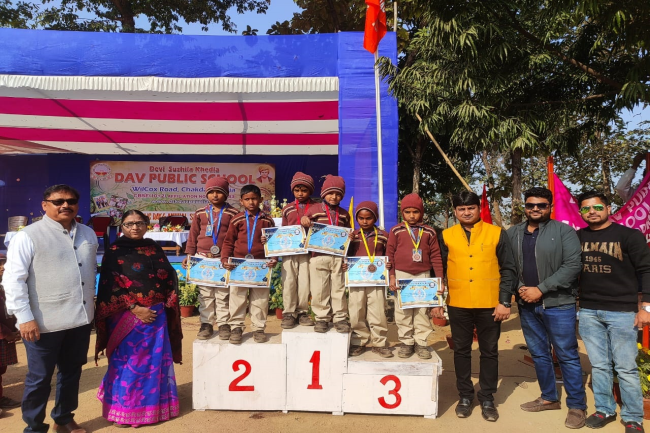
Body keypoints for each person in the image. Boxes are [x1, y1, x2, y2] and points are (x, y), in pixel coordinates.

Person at [3, 184, 98, 433]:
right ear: (45, 205)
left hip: (80, 318)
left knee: (72, 372)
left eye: (71, 201)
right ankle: (34, 427)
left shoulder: (88, 233)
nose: (65, 205)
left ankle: (64, 419)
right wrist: (24, 317)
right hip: (42, 323)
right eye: (58, 201)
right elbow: (13, 279)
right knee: (39, 378)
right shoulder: (28, 235)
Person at [506, 187, 586, 429]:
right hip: (526, 305)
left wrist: (541, 289)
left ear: (549, 206)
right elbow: (507, 266)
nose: (535, 209)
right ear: (524, 207)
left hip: (558, 304)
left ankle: (577, 406)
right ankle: (549, 398)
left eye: (541, 205)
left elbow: (573, 265)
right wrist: (520, 288)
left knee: (566, 355)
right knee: (539, 354)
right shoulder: (513, 233)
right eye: (530, 205)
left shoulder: (564, 232)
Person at [433, 191, 516, 422]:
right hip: (458, 303)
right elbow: (438, 270)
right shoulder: (446, 235)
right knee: (461, 351)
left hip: (489, 303)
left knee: (489, 351)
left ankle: (487, 397)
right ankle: (465, 396)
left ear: (478, 209)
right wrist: (435, 302)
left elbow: (508, 268)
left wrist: (504, 301)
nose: (466, 212)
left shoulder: (496, 233)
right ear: (455, 211)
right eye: (461, 209)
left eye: (471, 208)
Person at [95, 210, 182, 428]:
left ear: (146, 225)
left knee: (153, 363)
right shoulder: (114, 251)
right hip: (127, 315)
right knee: (129, 362)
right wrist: (135, 308)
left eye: (140, 223)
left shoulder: (154, 247)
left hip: (156, 315)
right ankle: (123, 410)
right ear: (121, 226)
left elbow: (168, 275)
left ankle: (152, 410)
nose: (135, 227)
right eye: (129, 224)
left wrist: (166, 300)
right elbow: (109, 284)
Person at [576, 191, 650, 433]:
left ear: (608, 209)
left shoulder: (629, 236)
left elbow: (647, 270)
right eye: (586, 208)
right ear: (581, 212)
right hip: (589, 310)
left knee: (626, 368)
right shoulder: (577, 237)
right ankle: (605, 409)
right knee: (599, 366)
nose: (592, 212)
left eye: (597, 207)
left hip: (622, 312)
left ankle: (633, 418)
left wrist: (646, 307)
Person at [387, 193, 443, 359]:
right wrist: (391, 276)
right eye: (408, 212)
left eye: (415, 212)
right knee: (403, 311)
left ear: (421, 212)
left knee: (422, 311)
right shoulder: (396, 230)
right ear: (402, 213)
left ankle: (421, 342)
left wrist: (439, 280)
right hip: (401, 274)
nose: (412, 216)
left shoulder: (429, 232)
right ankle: (406, 342)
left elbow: (436, 256)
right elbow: (389, 254)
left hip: (423, 275)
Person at [184, 176, 238, 340]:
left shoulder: (233, 213)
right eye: (211, 192)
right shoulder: (200, 213)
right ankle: (206, 324)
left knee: (223, 294)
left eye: (219, 192)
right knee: (205, 294)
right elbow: (193, 235)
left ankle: (223, 324)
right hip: (202, 259)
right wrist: (189, 254)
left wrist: (233, 257)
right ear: (206, 194)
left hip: (223, 259)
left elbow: (236, 237)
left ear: (226, 194)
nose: (215, 195)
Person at [221, 184, 277, 344]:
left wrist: (274, 258)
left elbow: (273, 242)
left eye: (254, 199)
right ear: (241, 201)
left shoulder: (267, 220)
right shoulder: (237, 219)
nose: (251, 202)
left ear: (261, 199)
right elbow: (228, 242)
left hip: (261, 265)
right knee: (237, 297)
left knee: (260, 298)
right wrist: (225, 259)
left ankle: (258, 328)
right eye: (247, 199)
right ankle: (236, 327)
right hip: (239, 265)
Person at [301, 175, 352, 333]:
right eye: (330, 193)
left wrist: (350, 236)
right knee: (319, 289)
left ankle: (340, 318)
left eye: (338, 194)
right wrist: (304, 220)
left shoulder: (344, 214)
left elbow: (348, 232)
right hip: (318, 256)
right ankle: (322, 318)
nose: (334, 197)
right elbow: (304, 224)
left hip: (337, 257)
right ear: (323, 194)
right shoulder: (314, 210)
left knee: (338, 288)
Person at [345, 201, 392, 358]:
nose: (364, 221)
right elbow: (345, 255)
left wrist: (389, 263)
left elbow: (389, 254)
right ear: (356, 218)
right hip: (356, 279)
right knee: (356, 310)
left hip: (376, 280)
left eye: (369, 218)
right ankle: (358, 341)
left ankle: (379, 343)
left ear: (375, 218)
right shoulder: (353, 235)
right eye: (361, 218)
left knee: (378, 311)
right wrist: (345, 262)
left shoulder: (383, 235)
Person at [279, 172, 316, 328]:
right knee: (288, 281)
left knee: (305, 282)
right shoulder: (287, 209)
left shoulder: (316, 208)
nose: (300, 193)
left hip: (308, 252)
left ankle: (302, 312)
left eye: (304, 190)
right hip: (290, 252)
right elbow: (283, 231)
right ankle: (288, 313)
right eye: (297, 190)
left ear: (310, 191)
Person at [0, 254, 21, 417]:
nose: (2, 267)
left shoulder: (4, 287)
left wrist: (16, 328)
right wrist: (6, 334)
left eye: (4, 263)